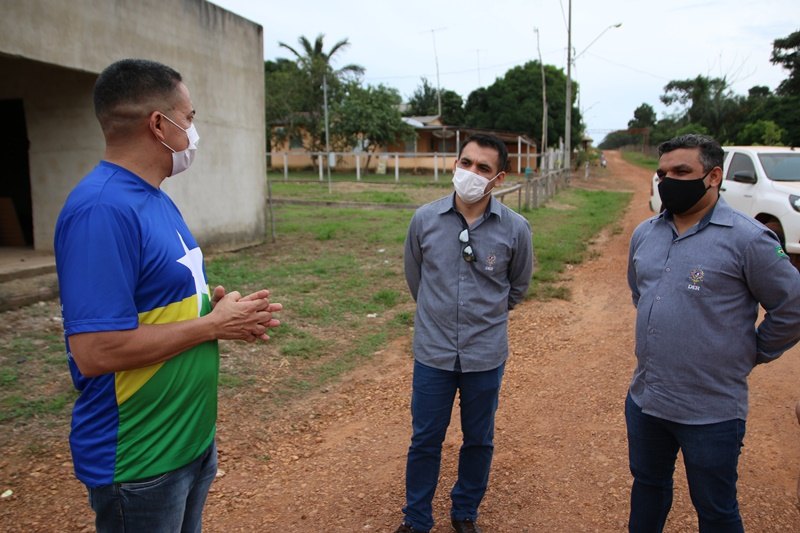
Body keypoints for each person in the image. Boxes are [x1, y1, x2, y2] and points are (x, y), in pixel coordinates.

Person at [54, 59, 282, 533]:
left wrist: (216, 310)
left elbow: (157, 305)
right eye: (190, 118)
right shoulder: (102, 209)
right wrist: (214, 325)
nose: (193, 132)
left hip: (187, 443)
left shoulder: (154, 197)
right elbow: (95, 350)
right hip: (140, 458)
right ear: (159, 124)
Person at [625, 133, 800, 532]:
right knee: (648, 489)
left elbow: (793, 306)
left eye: (681, 171)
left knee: (716, 510)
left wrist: (751, 351)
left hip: (712, 412)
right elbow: (642, 292)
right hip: (646, 402)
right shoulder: (645, 234)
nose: (668, 180)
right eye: (662, 172)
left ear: (714, 176)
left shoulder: (749, 240)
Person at [395, 134, 534, 533]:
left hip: (485, 355)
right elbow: (415, 279)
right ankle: (417, 517)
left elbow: (517, 287)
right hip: (433, 354)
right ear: (455, 163)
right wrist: (439, 316)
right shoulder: (424, 220)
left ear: (498, 178)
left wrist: (483, 318)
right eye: (466, 163)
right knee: (425, 439)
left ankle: (465, 511)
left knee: (479, 439)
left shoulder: (516, 229)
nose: (470, 173)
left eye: (483, 168)